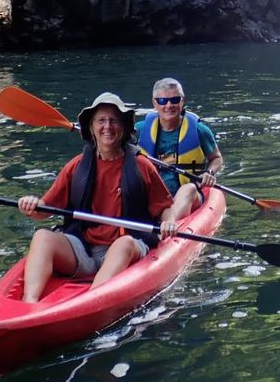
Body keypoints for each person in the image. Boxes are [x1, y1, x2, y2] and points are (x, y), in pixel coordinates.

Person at [16, 92, 185, 303]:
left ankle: (88, 303)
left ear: (123, 127)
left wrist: (169, 222)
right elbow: (44, 210)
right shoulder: (77, 166)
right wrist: (33, 205)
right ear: (91, 128)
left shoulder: (142, 166)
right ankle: (29, 304)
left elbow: (164, 208)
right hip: (84, 250)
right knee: (42, 236)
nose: (107, 126)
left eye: (114, 120)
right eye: (101, 121)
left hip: (128, 246)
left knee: (123, 244)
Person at [135, 78, 223, 216]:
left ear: (182, 101)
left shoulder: (199, 130)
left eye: (175, 100)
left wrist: (209, 173)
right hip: (153, 196)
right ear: (154, 103)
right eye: (163, 101)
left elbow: (217, 158)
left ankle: (170, 225)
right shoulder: (139, 130)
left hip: (188, 193)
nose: (169, 105)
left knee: (188, 189)